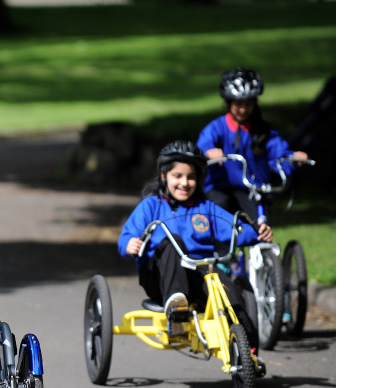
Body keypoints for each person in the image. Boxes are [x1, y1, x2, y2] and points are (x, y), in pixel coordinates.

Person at [117, 141, 272, 350]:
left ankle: (249, 355)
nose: (184, 182)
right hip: (159, 276)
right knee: (173, 241)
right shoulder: (151, 205)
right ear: (164, 177)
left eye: (191, 177)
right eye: (177, 176)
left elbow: (236, 230)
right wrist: (129, 244)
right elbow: (128, 235)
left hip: (200, 272)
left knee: (232, 297)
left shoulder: (205, 208)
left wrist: (257, 232)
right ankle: (176, 308)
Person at [197, 67, 308, 219]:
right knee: (219, 211)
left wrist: (292, 157)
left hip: (253, 189)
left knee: (260, 223)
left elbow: (277, 151)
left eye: (248, 105)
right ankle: (221, 242)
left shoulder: (262, 131)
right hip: (221, 188)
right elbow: (204, 144)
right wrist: (210, 151)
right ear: (228, 104)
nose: (243, 110)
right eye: (238, 105)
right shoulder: (217, 127)